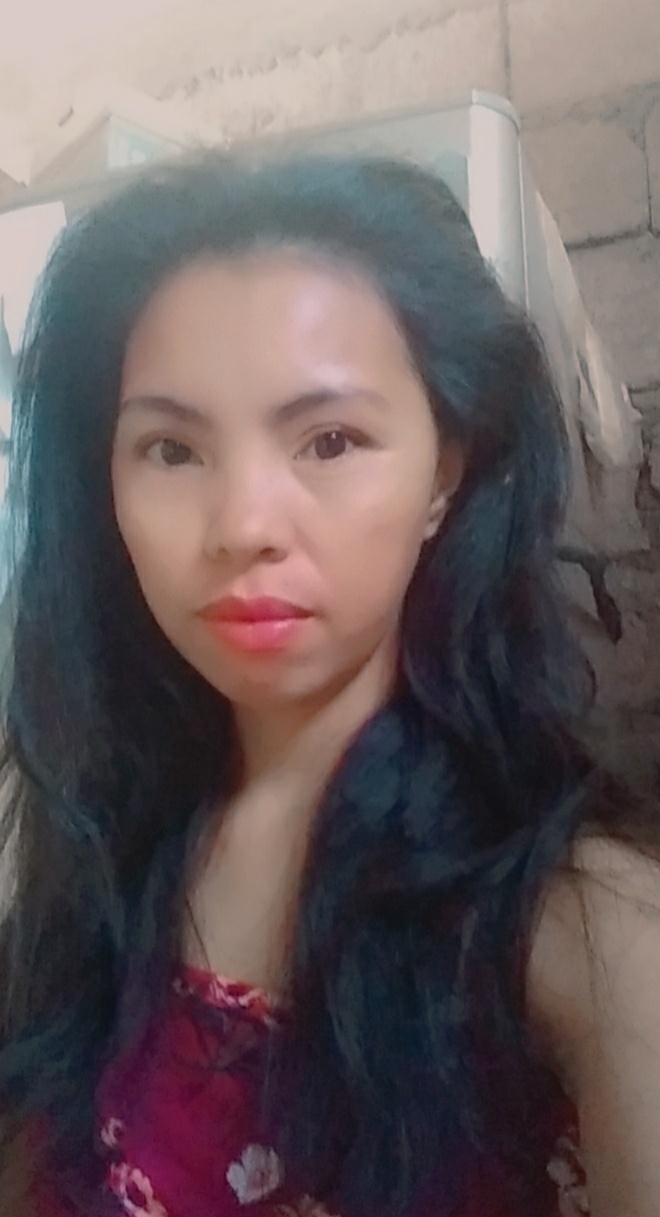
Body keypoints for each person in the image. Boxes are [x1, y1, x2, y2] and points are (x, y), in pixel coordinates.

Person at [0, 151, 655, 1217]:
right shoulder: (91, 850)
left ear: (446, 469)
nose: (243, 524)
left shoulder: (576, 921)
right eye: (171, 449)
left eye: (331, 439)